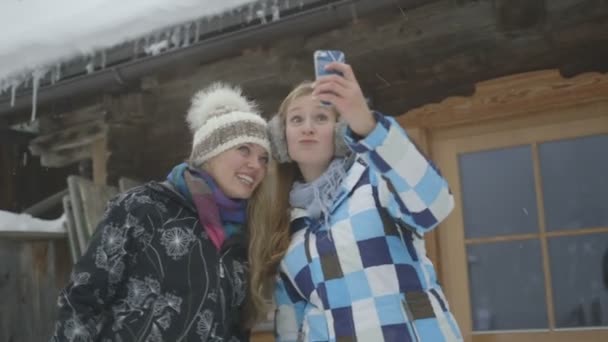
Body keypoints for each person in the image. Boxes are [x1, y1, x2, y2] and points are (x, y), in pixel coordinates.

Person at [248, 62, 463, 341]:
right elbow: (291, 323)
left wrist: (367, 125)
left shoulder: (377, 182)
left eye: (321, 118)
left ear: (339, 133)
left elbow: (435, 204)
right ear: (281, 137)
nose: (307, 128)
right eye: (297, 119)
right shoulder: (286, 225)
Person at [50, 83, 271, 341]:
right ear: (209, 152)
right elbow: (82, 300)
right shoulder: (142, 208)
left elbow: (234, 328)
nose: (255, 165)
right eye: (243, 149)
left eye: (264, 158)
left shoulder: (244, 236)